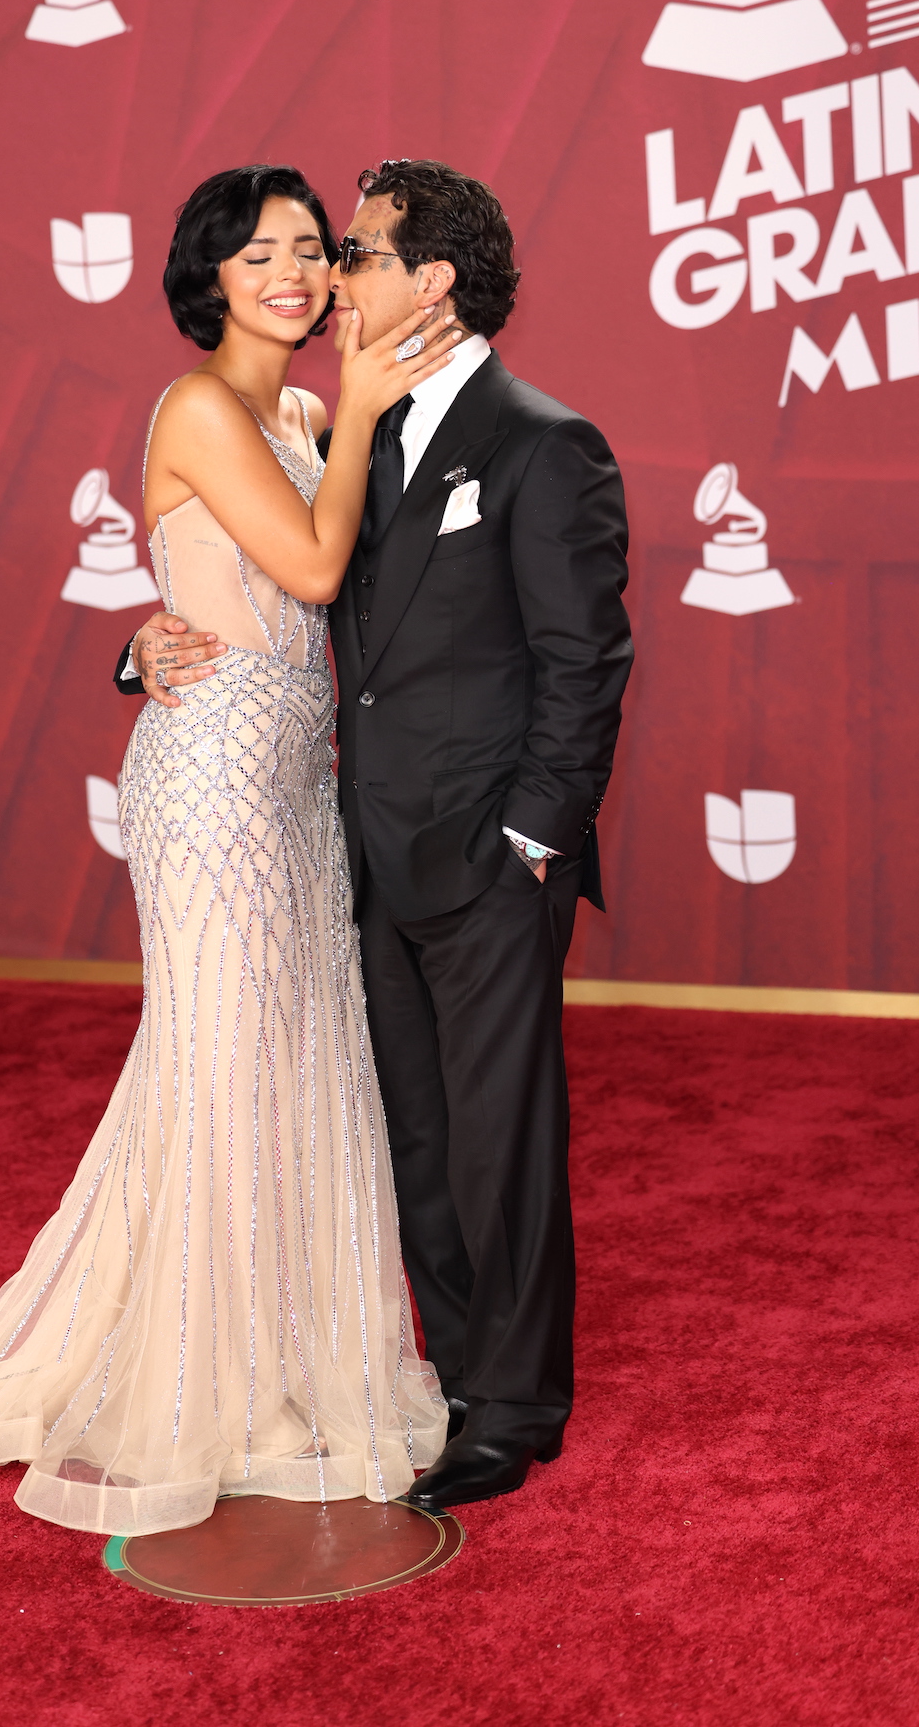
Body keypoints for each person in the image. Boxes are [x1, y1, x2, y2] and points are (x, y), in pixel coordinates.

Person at [0, 165, 456, 1536]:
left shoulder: (305, 409)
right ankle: (184, 1388)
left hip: (292, 782)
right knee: (220, 1065)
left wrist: (132, 642)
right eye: (257, 250)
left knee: (291, 1065)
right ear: (208, 275)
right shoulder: (199, 410)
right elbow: (317, 569)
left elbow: (299, 595)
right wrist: (367, 424)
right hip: (209, 787)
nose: (291, 269)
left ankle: (279, 1369)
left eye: (308, 248)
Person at [123, 159, 632, 1511]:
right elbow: (278, 586)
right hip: (352, 842)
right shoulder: (359, 424)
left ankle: (515, 1407)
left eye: (352, 251)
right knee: (414, 1135)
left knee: (499, 1136)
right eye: (311, 253)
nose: (329, 276)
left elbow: (583, 660)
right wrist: (140, 648)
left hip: (483, 853)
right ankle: (459, 1370)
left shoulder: (538, 439)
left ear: (431, 280)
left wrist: (533, 838)